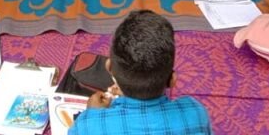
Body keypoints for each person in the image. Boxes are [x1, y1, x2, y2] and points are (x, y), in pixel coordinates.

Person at [69, 10, 212, 135]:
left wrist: (93, 114)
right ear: (172, 80)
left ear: (109, 66)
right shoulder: (196, 112)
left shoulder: (88, 124)